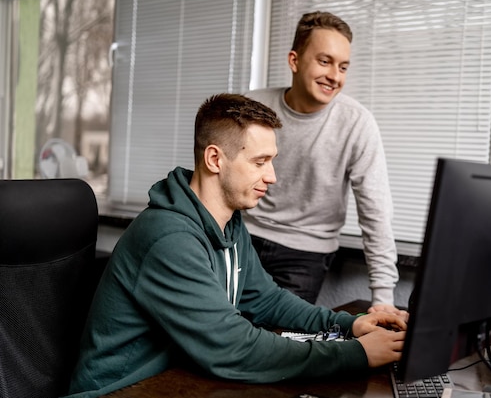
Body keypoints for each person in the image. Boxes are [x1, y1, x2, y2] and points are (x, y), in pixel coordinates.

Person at [64, 94, 406, 398]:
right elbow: (232, 347)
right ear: (215, 159)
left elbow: (267, 300)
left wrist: (348, 325)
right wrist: (357, 354)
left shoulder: (228, 221)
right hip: (119, 390)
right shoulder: (168, 238)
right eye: (259, 162)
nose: (271, 176)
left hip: (179, 381)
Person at [244, 11, 400, 309]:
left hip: (305, 254)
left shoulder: (357, 123)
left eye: (343, 67)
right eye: (324, 61)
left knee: (280, 346)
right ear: (294, 60)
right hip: (242, 238)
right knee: (219, 335)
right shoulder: (252, 107)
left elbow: (376, 211)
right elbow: (216, 182)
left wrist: (382, 298)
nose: (335, 76)